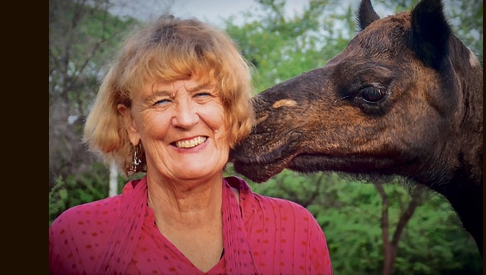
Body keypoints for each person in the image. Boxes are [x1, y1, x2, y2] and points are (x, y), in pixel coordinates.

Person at [48, 15, 333, 275]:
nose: (185, 119)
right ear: (131, 124)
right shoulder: (77, 239)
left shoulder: (296, 233)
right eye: (161, 100)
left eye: (203, 94)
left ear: (230, 111)